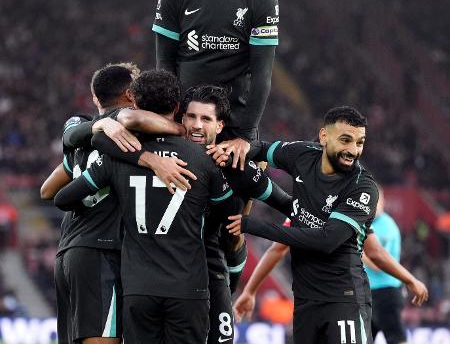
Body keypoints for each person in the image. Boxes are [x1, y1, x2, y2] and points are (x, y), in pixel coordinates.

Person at [92, 84, 291, 344]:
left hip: (215, 265)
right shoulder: (156, 154)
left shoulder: (235, 164)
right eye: (192, 117)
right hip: (164, 276)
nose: (197, 125)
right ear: (180, 118)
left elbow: (289, 205)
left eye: (206, 119)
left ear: (219, 126)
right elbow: (97, 138)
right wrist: (136, 150)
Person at [53, 70, 241, 344]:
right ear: (178, 109)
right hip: (188, 285)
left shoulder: (118, 155)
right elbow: (230, 214)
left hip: (138, 287)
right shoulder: (203, 158)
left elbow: (61, 197)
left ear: (136, 104)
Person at [40, 63, 192, 344]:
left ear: (96, 98)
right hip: (101, 251)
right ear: (130, 94)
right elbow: (134, 121)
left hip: (69, 251)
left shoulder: (79, 136)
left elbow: (48, 190)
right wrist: (180, 130)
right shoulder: (131, 131)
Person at [225, 106, 379, 344]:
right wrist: (244, 146)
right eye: (345, 140)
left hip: (343, 299)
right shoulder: (303, 154)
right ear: (324, 137)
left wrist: (251, 225)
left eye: (360, 142)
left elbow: (326, 240)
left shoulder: (363, 188)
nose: (353, 150)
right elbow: (263, 148)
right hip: (305, 300)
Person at [153, 0, 279, 169]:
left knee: (235, 206)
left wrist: (245, 136)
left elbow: (262, 75)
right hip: (187, 120)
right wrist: (172, 116)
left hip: (233, 124)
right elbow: (164, 63)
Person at [233, 220, 428, 325]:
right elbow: (375, 254)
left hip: (313, 304)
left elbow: (277, 249)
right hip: (339, 304)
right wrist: (410, 279)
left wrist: (250, 291)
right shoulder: (351, 199)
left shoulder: (302, 205)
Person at [363, 189, 410, 344]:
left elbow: (379, 264)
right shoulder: (367, 224)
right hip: (369, 293)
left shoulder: (386, 226)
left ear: (382, 201)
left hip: (386, 291)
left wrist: (356, 251)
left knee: (396, 337)